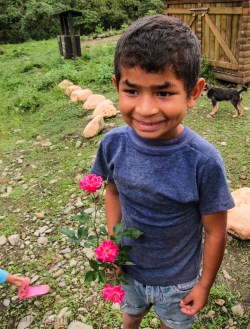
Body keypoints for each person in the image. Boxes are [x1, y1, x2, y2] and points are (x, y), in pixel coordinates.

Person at [90, 15, 235, 329]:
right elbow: (113, 191)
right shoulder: (113, 144)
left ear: (194, 93)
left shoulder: (204, 161)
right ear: (117, 87)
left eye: (164, 93)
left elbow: (215, 231)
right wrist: (113, 250)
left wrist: (204, 285)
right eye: (132, 91)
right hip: (129, 270)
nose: (144, 109)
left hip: (178, 282)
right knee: (130, 317)